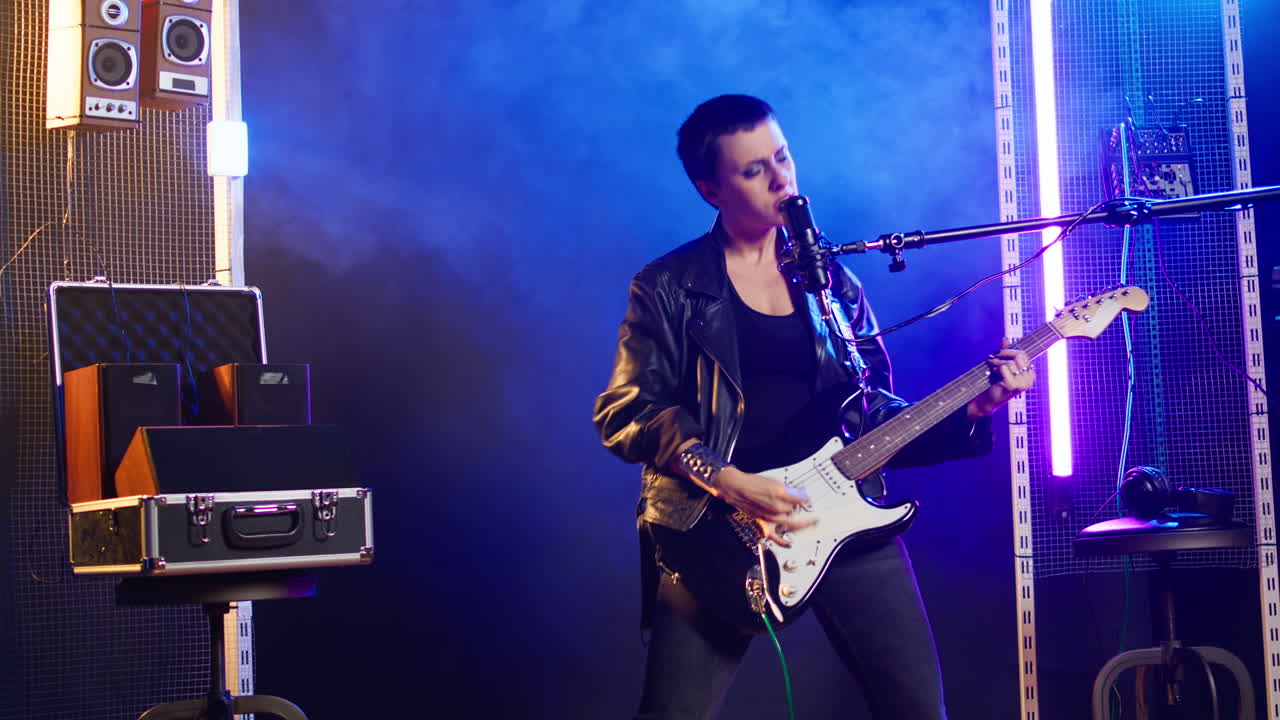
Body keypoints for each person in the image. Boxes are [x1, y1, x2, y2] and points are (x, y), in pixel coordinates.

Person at [593, 94, 1034, 720]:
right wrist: (728, 481)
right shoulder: (668, 286)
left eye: (783, 156)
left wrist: (975, 408)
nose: (782, 179)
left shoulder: (832, 283)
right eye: (754, 170)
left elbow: (875, 416)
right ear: (709, 190)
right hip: (718, 532)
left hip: (843, 514)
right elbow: (626, 409)